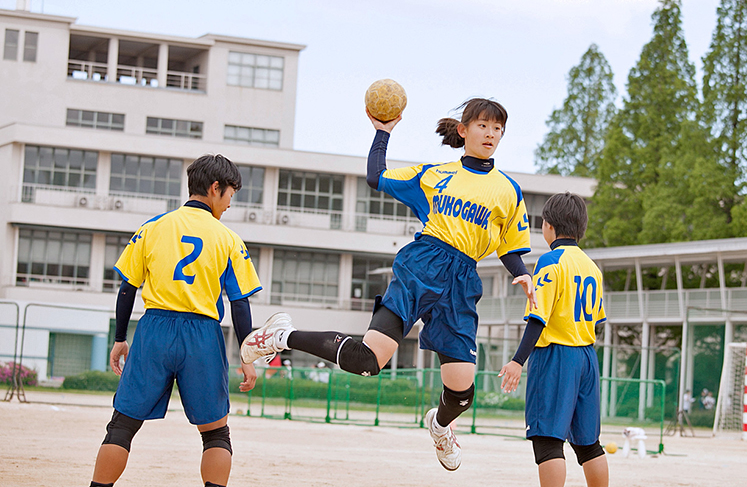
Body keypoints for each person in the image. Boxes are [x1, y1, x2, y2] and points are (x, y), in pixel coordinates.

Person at [241, 97, 537, 471]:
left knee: (462, 394)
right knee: (368, 361)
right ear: (463, 131)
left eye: (498, 128)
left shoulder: (509, 190)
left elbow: (510, 247)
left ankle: (440, 426)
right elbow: (376, 176)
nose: (490, 133)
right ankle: (282, 336)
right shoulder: (434, 174)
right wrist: (382, 133)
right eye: (482, 125)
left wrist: (521, 272)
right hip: (423, 264)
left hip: (463, 280)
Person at [88, 154, 263, 487]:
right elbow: (240, 304)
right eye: (229, 195)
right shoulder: (228, 239)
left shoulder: (152, 228)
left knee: (122, 426)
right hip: (202, 334)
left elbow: (127, 289)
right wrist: (248, 353)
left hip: (154, 329)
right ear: (215, 188)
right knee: (216, 434)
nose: (228, 204)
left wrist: (120, 338)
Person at [499, 192, 608, 487]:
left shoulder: (551, 261)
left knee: (547, 440)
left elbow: (538, 317)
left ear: (548, 225)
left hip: (557, 356)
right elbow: (598, 320)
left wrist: (517, 361)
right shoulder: (592, 268)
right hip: (587, 356)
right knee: (588, 444)